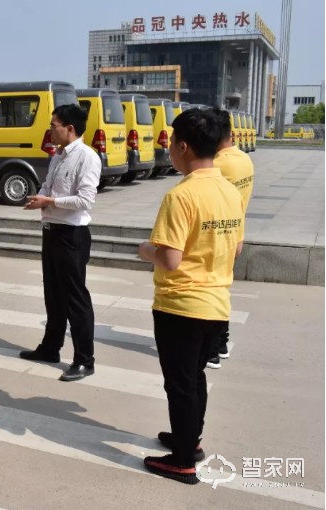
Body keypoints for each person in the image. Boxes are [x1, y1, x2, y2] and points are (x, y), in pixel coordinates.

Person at [137, 108, 244, 484]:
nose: (168, 150)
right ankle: (190, 440)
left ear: (183, 146)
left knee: (180, 384)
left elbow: (169, 257)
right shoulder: (229, 191)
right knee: (193, 378)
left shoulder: (182, 195)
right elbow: (236, 248)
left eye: (169, 143)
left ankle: (182, 460)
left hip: (181, 306)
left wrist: (144, 249)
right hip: (217, 303)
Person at [19, 104, 100, 382]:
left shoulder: (87, 157)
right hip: (51, 231)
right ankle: (50, 348)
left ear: (70, 128)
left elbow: (85, 200)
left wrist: (50, 202)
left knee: (75, 298)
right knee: (52, 294)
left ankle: (84, 360)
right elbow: (47, 186)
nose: (50, 130)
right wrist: (38, 199)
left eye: (54, 125)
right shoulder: (57, 156)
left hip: (72, 236)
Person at [206, 108, 254, 369]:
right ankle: (221, 343)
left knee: (211, 293)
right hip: (235, 233)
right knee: (221, 290)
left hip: (215, 237)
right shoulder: (244, 159)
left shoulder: (217, 165)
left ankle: (212, 349)